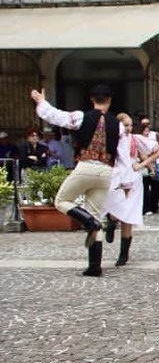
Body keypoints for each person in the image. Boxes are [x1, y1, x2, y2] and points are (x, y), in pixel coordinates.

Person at [30, 85, 133, 276]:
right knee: (95, 214)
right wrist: (127, 183)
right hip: (107, 171)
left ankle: (89, 223)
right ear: (110, 100)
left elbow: (56, 116)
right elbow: (124, 156)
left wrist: (41, 102)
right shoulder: (118, 125)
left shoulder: (81, 117)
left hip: (86, 166)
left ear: (92, 99)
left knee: (61, 201)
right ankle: (95, 266)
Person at [102, 113, 159, 267]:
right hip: (116, 177)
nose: (128, 128)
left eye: (130, 125)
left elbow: (158, 151)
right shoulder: (111, 139)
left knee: (128, 213)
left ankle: (123, 254)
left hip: (133, 178)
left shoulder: (135, 139)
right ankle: (111, 221)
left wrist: (142, 165)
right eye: (125, 125)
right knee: (114, 205)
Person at [138, 117, 159, 216]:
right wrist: (151, 168)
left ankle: (154, 206)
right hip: (145, 167)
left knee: (156, 186)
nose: (147, 133)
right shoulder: (139, 141)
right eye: (145, 131)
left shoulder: (153, 137)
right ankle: (145, 208)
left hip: (154, 163)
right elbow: (143, 156)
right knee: (145, 187)